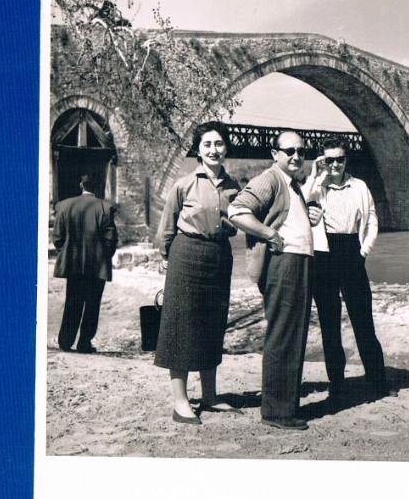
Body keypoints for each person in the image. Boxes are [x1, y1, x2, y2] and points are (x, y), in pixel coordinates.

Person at [154, 121, 241, 426]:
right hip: (186, 254)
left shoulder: (234, 187)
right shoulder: (184, 184)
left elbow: (244, 221)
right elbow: (166, 226)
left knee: (212, 324)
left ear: (226, 147)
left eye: (218, 144)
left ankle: (211, 396)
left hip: (219, 256)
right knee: (181, 324)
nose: (213, 150)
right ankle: (180, 402)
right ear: (198, 150)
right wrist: (165, 257)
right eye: (207, 145)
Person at [228, 131, 314, 431]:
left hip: (296, 263)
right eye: (289, 150)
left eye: (301, 151)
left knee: (295, 333)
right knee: (283, 334)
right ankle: (276, 412)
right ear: (274, 153)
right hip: (283, 264)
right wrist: (270, 234)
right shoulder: (270, 179)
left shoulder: (292, 184)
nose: (296, 156)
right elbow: (236, 211)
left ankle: (286, 406)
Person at [303, 140, 396, 406]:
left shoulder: (360, 187)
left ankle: (378, 381)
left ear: (346, 160)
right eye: (329, 160)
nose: (335, 165)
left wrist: (364, 251)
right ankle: (337, 384)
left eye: (339, 160)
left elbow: (372, 219)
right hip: (324, 254)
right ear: (323, 161)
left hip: (351, 251)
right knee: (330, 324)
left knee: (363, 321)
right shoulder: (318, 186)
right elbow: (303, 197)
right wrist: (314, 173)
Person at [53, 173, 118, 354]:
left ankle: (65, 342)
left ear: (81, 186)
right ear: (97, 188)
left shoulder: (64, 206)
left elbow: (57, 238)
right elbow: (111, 240)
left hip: (73, 263)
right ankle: (84, 343)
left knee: (72, 301)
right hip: (97, 265)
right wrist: (103, 257)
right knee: (92, 304)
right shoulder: (105, 208)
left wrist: (67, 253)